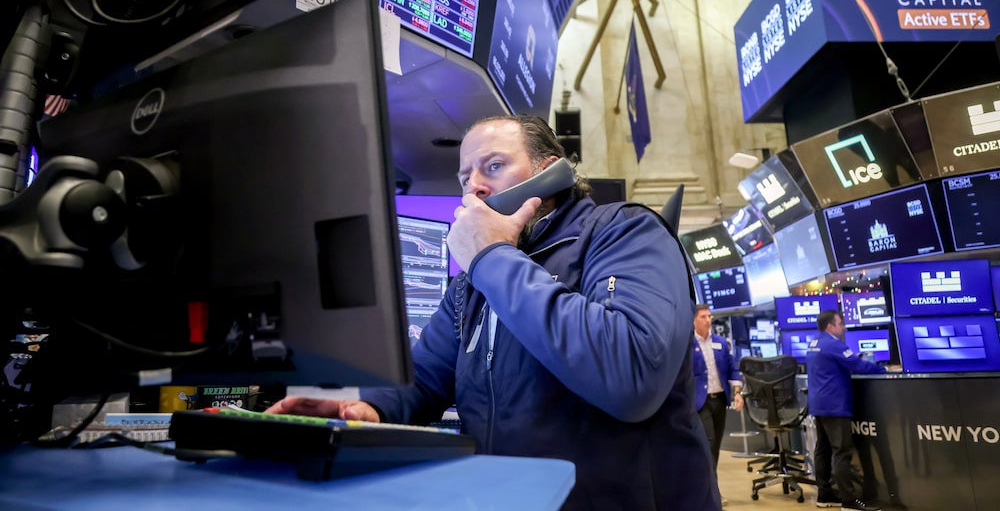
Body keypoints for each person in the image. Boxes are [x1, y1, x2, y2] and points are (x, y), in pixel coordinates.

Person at [267, 114, 719, 510]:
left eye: (495, 166)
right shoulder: (471, 285)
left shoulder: (624, 231)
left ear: (549, 172)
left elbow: (631, 375)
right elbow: (424, 378)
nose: (475, 186)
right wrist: (366, 406)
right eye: (465, 178)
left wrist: (491, 257)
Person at [806, 310, 884, 511]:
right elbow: (857, 365)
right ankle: (849, 501)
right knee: (842, 452)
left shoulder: (814, 343)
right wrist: (883, 370)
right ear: (830, 326)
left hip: (819, 404)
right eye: (840, 323)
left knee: (822, 450)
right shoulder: (833, 344)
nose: (844, 328)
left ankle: (825, 495)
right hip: (834, 404)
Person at [692, 304, 744, 469]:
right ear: (693, 321)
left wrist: (737, 393)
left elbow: (732, 369)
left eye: (709, 316)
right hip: (701, 402)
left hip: (720, 400)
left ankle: (711, 487)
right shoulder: (688, 346)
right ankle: (711, 491)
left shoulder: (721, 343)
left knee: (715, 446)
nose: (708, 320)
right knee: (708, 442)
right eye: (703, 317)